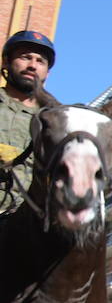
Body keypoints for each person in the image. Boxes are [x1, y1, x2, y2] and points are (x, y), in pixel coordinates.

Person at [0, 30, 59, 206]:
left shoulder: (54, 121)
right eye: (25, 57)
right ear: (6, 62)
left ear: (47, 73)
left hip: (21, 223)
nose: (33, 65)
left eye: (40, 61)